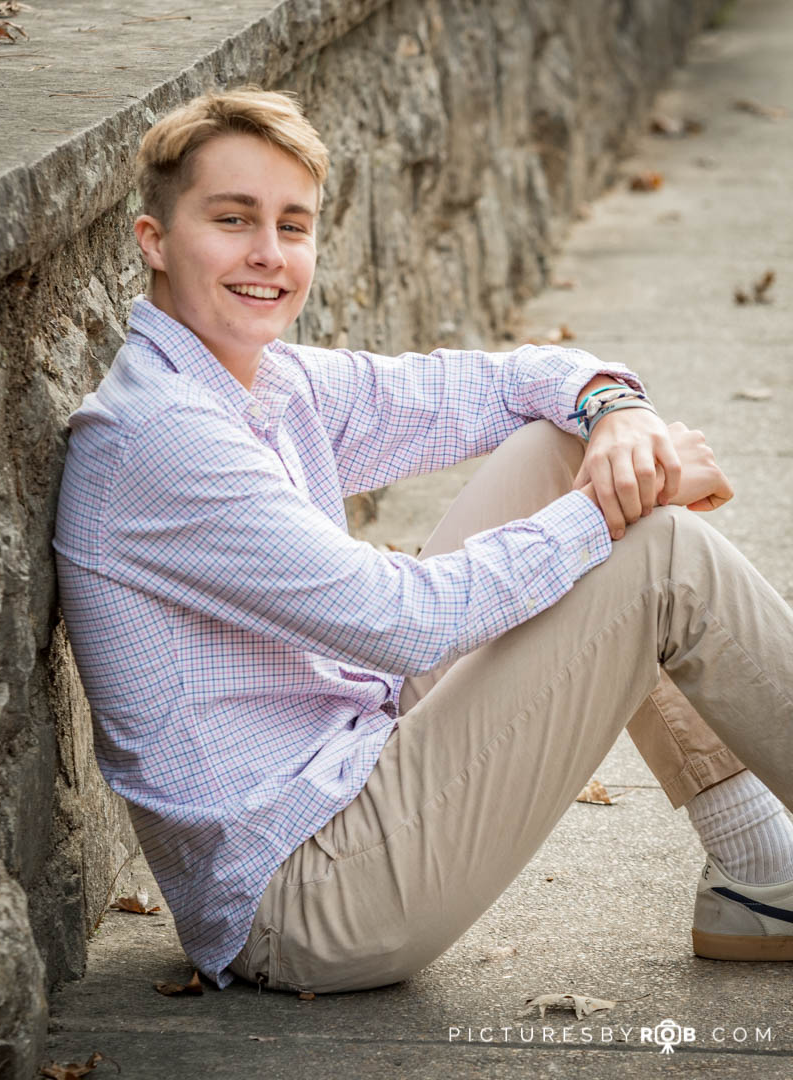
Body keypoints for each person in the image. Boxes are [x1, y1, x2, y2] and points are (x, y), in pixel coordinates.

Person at [53, 87, 793, 995]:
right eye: (233, 219)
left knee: (566, 445)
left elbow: (504, 383)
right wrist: (612, 508)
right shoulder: (159, 433)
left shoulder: (266, 381)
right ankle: (772, 865)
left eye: (293, 225)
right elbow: (399, 621)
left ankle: (764, 876)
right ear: (154, 240)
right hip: (306, 892)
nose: (268, 255)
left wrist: (616, 412)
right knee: (654, 552)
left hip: (354, 758)